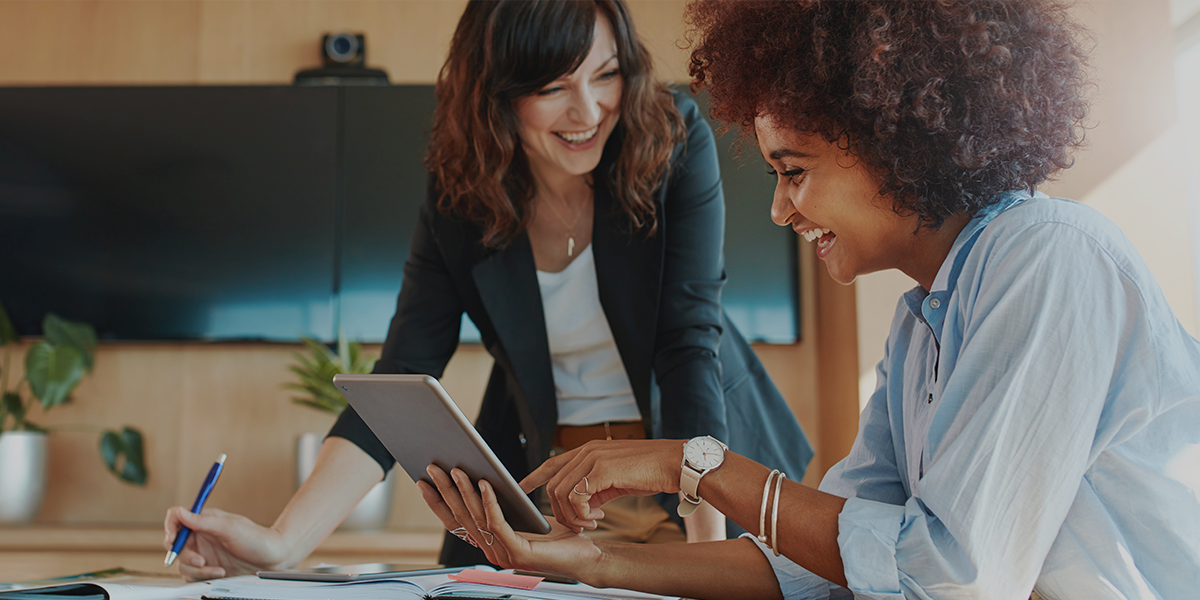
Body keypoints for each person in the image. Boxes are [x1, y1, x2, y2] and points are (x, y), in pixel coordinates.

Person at [419, 0, 1200, 598]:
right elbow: (830, 563)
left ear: (895, 138)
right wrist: (590, 560)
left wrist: (691, 463)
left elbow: (946, 578)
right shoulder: (922, 322)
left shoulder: (1046, 257)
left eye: (795, 171)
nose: (781, 210)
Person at [162, 0, 813, 579]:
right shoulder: (462, 195)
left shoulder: (671, 140)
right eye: (553, 86)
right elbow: (403, 373)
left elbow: (686, 343)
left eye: (606, 73)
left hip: (694, 474)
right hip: (556, 496)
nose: (588, 110)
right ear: (497, 92)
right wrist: (280, 544)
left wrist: (709, 552)